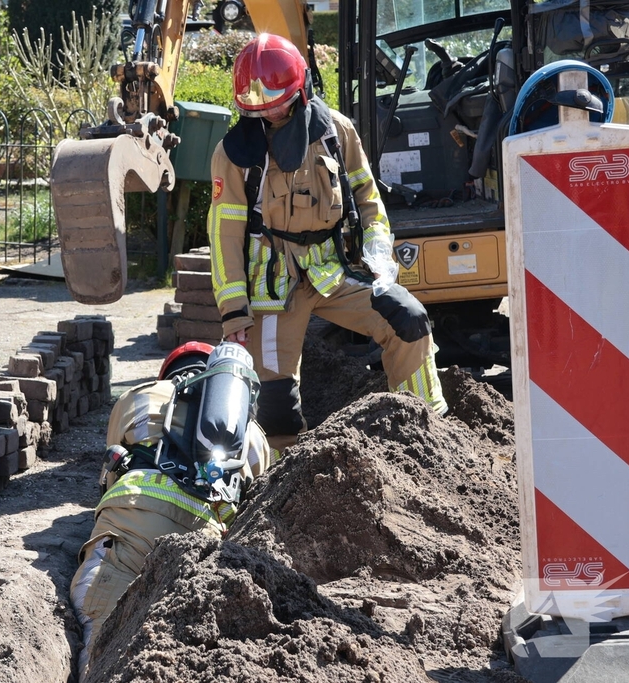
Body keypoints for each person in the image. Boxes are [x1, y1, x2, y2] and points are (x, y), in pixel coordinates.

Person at [207, 33, 448, 455]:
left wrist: (378, 261)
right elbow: (223, 236)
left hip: (335, 273)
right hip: (272, 290)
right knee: (275, 408)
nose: (272, 113)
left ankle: (430, 435)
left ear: (301, 89)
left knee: (409, 321)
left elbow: (369, 201)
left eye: (279, 102)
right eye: (259, 107)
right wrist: (234, 317)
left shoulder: (337, 131)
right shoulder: (233, 154)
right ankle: (279, 485)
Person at [69, 341, 273, 680]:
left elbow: (110, 466)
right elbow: (256, 502)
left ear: (168, 372)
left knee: (101, 649)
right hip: (200, 552)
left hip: (126, 534)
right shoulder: (252, 433)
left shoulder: (140, 396)